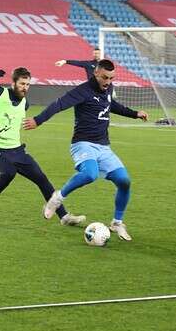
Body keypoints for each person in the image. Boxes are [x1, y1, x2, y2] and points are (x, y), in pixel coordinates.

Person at [23, 59, 148, 241]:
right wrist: (38, 120)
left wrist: (134, 113)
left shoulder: (108, 89)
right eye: (105, 77)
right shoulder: (82, 91)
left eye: (111, 78)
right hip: (82, 144)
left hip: (103, 147)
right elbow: (59, 104)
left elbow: (111, 105)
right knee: (90, 174)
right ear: (96, 73)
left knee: (124, 181)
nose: (108, 82)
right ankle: (57, 198)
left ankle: (117, 222)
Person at [0, 67, 85, 226]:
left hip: (15, 149)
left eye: (28, 84)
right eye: (22, 83)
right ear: (13, 83)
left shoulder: (25, 103)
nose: (25, 87)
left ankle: (64, 217)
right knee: (8, 172)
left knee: (42, 179)